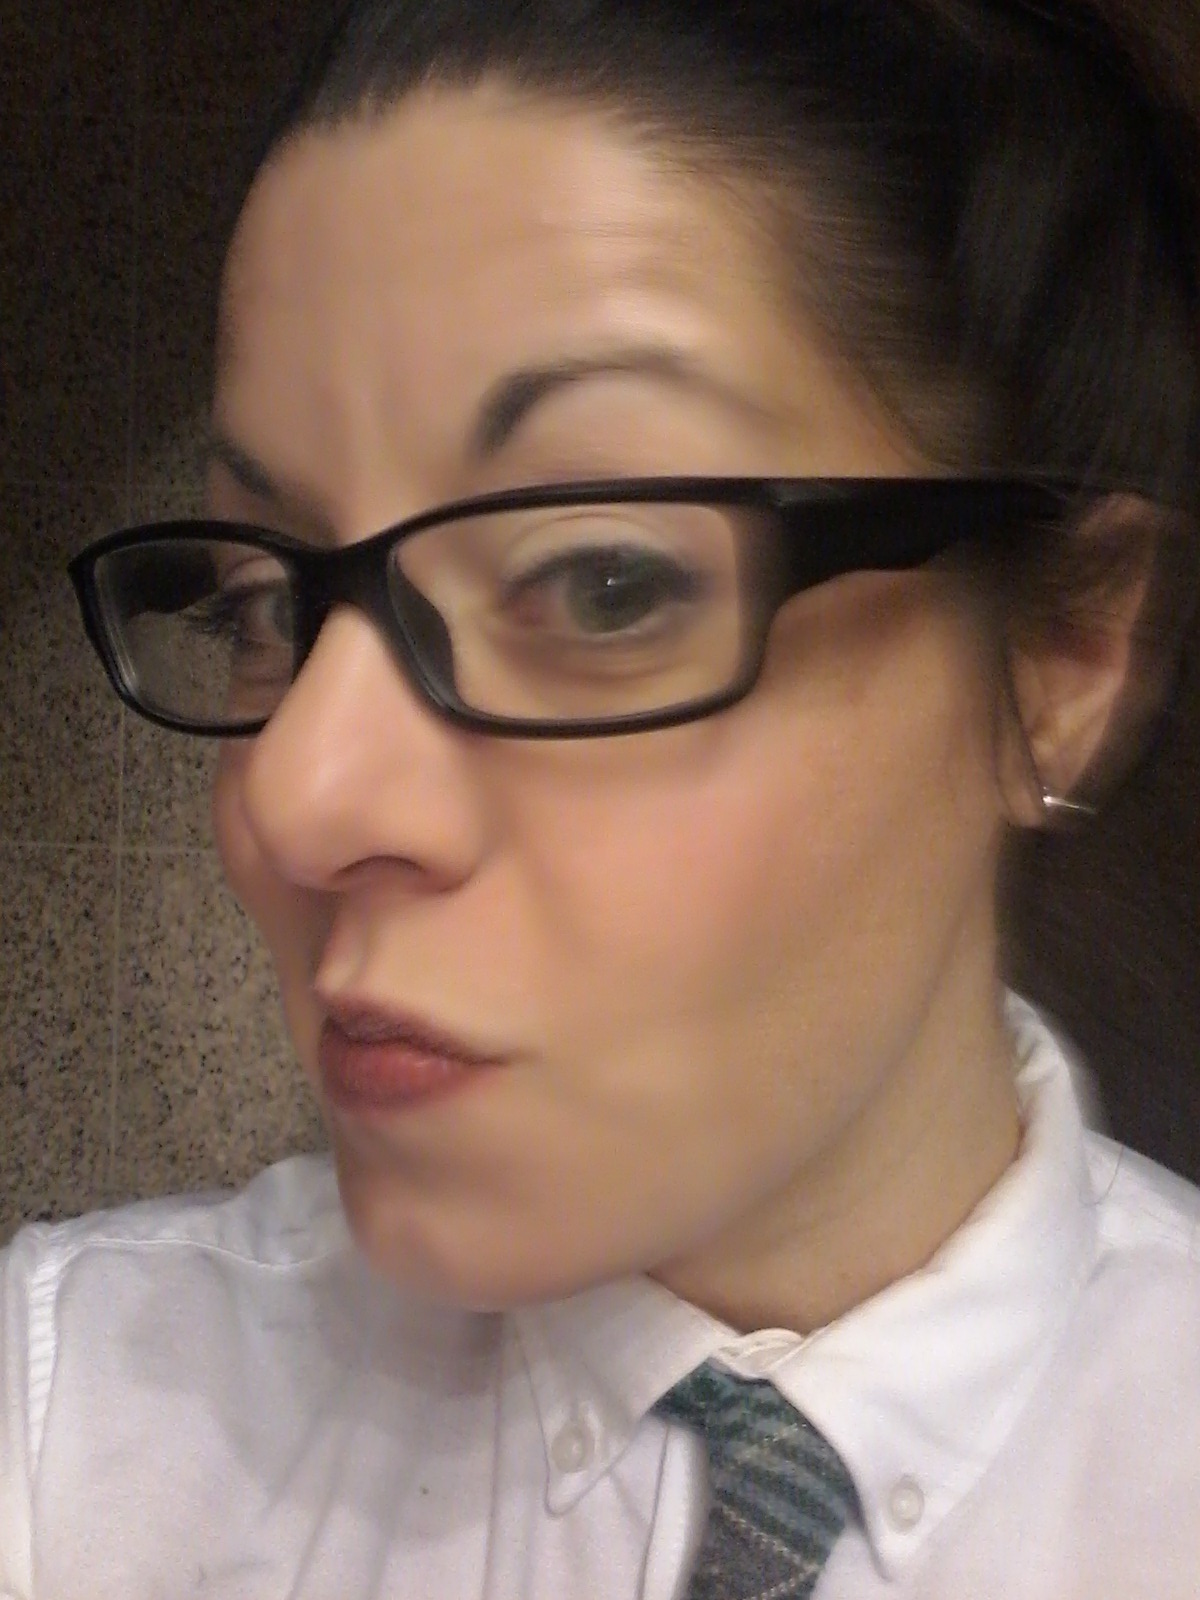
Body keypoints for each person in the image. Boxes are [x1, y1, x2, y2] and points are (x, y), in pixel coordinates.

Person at [4, 0, 1200, 1593]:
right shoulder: (73, 1424)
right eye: (260, 605)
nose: (293, 796)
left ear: (1067, 651)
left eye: (601, 582)